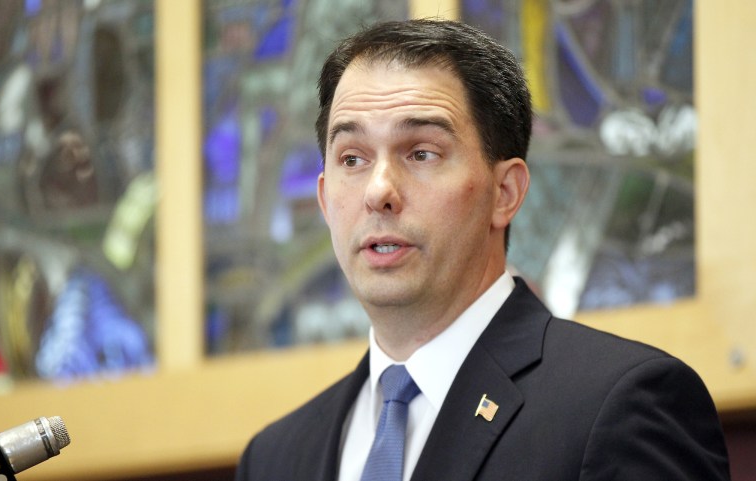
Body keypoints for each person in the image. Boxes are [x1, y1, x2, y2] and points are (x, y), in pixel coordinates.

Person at [235, 19, 730, 481]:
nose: (378, 190)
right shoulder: (274, 459)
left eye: (421, 152)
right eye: (352, 158)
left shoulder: (622, 406)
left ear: (505, 192)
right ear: (324, 199)